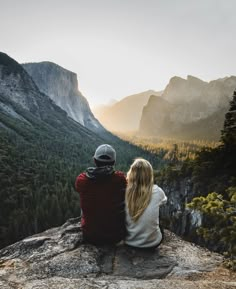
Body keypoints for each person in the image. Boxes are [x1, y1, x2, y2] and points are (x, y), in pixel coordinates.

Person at [75, 144, 127, 245]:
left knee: (87, 198)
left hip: (90, 236)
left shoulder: (82, 180)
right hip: (115, 236)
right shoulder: (119, 179)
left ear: (94, 160)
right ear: (114, 162)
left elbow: (79, 188)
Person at [125, 158, 167, 249]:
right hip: (153, 243)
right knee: (157, 211)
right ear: (149, 175)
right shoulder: (157, 191)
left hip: (129, 242)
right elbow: (164, 201)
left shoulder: (124, 191)